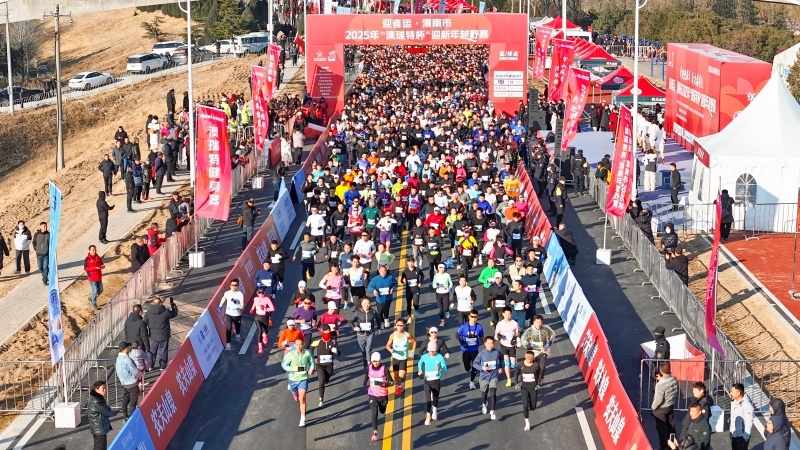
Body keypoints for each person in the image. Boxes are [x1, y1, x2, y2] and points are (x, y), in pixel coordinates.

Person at [280, 337, 315, 427]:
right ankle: (294, 393)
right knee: (295, 394)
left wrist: (312, 368)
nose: (299, 346)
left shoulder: (307, 353)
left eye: (300, 344)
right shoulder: (290, 354)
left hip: (303, 378)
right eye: (297, 345)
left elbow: (311, 362)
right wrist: (294, 368)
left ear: (303, 344)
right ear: (294, 345)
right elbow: (283, 365)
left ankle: (303, 419)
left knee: (302, 398)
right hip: (293, 379)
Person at [418, 340, 448, 425]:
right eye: (430, 351)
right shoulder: (424, 357)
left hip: (436, 381)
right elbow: (420, 362)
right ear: (428, 350)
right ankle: (428, 415)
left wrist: (440, 369)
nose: (432, 353)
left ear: (436, 349)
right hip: (427, 381)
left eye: (434, 351)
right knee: (428, 399)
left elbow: (445, 369)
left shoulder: (440, 357)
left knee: (435, 398)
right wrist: (420, 370)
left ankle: (434, 410)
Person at [473, 336, 503, 420]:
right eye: (488, 343)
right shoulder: (482, 353)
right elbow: (475, 363)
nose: (490, 345)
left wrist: (500, 366)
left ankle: (492, 411)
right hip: (484, 377)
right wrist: (481, 368)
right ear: (485, 344)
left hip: (494, 375)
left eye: (492, 343)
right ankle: (484, 404)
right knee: (484, 392)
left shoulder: (497, 352)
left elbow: (501, 358)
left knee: (493, 393)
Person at [520, 315, 555, 387]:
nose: (538, 324)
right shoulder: (529, 331)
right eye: (537, 322)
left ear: (542, 322)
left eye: (540, 322)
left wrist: (550, 342)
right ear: (533, 322)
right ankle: (534, 379)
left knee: (542, 367)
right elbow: (523, 339)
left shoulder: (545, 329)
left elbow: (552, 334)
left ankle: (540, 379)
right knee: (533, 367)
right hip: (533, 352)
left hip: (543, 351)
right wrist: (528, 345)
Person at [144, 296, 178, 370]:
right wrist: (173, 305)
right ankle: (162, 366)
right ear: (161, 303)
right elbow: (174, 314)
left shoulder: (148, 313)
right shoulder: (166, 312)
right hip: (164, 336)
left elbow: (144, 323)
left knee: (152, 351)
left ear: (153, 303)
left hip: (153, 336)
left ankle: (150, 365)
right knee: (163, 351)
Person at [385, 318, 416, 396]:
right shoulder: (393, 335)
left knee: (401, 375)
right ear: (396, 326)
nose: (399, 327)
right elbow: (387, 345)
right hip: (395, 358)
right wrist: (391, 350)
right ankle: (399, 386)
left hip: (403, 358)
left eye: (401, 325)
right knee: (395, 375)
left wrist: (412, 351)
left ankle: (404, 371)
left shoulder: (407, 335)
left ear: (404, 326)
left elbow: (414, 341)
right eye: (398, 325)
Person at [652, 361, 679, 450]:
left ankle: (664, 446)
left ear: (661, 370)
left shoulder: (660, 384)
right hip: (670, 406)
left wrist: (653, 407)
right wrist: (661, 379)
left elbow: (658, 399)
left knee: (662, 429)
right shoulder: (674, 379)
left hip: (661, 409)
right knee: (671, 426)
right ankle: (673, 443)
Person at [366, 352, 392, 442]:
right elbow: (366, 377)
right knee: (374, 413)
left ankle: (383, 406)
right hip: (372, 393)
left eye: (377, 361)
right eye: (374, 361)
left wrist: (383, 384)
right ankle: (375, 433)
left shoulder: (384, 369)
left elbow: (391, 382)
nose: (376, 363)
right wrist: (364, 384)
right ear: (371, 361)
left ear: (380, 360)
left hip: (382, 395)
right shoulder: (369, 368)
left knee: (382, 410)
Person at [352, 297, 381, 378]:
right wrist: (354, 327)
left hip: (370, 333)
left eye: (368, 303)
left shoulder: (373, 312)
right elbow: (350, 322)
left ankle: (369, 364)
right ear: (361, 304)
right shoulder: (358, 312)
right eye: (364, 303)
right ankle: (365, 360)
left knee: (368, 349)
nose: (366, 305)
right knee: (363, 350)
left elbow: (378, 319)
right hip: (360, 335)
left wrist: (379, 328)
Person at [456, 310, 484, 389]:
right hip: (466, 350)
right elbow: (457, 335)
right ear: (469, 317)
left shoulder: (479, 327)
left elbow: (481, 336)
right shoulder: (463, 327)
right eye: (472, 317)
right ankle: (468, 367)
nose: (474, 319)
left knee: (475, 366)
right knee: (467, 367)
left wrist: (482, 340)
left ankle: (472, 382)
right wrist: (462, 342)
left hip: (474, 349)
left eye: (475, 317)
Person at [115, 342, 141, 422]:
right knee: (133, 403)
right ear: (125, 349)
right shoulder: (127, 359)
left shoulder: (118, 358)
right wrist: (140, 374)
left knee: (125, 399)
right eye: (127, 347)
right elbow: (134, 370)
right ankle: (132, 420)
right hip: (132, 383)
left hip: (124, 383)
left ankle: (125, 416)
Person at [514, 350, 540, 431]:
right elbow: (516, 373)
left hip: (533, 387)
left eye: (531, 359)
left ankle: (532, 406)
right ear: (525, 357)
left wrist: (539, 383)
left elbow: (540, 374)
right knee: (525, 406)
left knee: (533, 407)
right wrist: (516, 383)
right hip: (524, 387)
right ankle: (527, 423)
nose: (529, 360)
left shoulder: (536, 365)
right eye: (528, 359)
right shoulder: (520, 364)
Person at [494, 307, 521, 387]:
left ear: (511, 314)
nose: (507, 316)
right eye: (506, 314)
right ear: (503, 314)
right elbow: (496, 335)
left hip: (511, 346)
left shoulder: (514, 323)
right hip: (503, 345)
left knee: (513, 365)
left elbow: (517, 334)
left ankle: (514, 362)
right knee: (507, 363)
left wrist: (517, 340)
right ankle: (508, 379)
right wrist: (498, 336)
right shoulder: (500, 324)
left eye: (509, 314)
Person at [314, 324, 339, 406]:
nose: (327, 332)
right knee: (321, 382)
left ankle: (326, 379)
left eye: (328, 330)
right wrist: (314, 358)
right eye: (325, 330)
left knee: (326, 379)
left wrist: (336, 351)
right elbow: (310, 348)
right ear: (322, 331)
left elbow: (339, 353)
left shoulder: (333, 341)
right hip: (320, 365)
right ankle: (321, 399)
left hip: (329, 365)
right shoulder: (318, 341)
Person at [367, 264, 397, 329]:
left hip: (388, 297)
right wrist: (373, 290)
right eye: (382, 271)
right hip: (379, 298)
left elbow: (395, 283)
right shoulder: (375, 279)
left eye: (384, 270)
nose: (383, 272)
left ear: (386, 271)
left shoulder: (390, 278)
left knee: (386, 309)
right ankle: (381, 322)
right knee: (380, 311)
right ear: (379, 271)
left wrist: (392, 289)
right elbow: (369, 286)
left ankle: (386, 318)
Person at [249, 288, 276, 354]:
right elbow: (254, 304)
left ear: (264, 293)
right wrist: (252, 309)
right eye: (259, 293)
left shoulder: (267, 299)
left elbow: (272, 308)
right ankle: (260, 347)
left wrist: (265, 308)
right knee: (260, 331)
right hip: (257, 317)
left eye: (262, 293)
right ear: (257, 293)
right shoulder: (255, 299)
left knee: (265, 330)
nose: (261, 295)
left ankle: (265, 335)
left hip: (264, 317)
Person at [88, 380, 112, 450]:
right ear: (96, 390)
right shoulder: (96, 401)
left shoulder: (97, 398)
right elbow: (107, 411)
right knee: (100, 447)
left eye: (105, 388)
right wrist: (108, 408)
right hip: (99, 429)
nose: (105, 390)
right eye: (103, 388)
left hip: (98, 428)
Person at [729, 382, 754, 450]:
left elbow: (749, 421)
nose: (731, 393)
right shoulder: (734, 402)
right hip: (733, 433)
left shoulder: (746, 405)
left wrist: (745, 437)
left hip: (741, 436)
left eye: (732, 391)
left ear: (738, 393)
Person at [400, 257, 424, 323]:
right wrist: (403, 281)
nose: (411, 264)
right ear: (407, 263)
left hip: (416, 289)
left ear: (414, 262)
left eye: (412, 262)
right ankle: (409, 315)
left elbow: (422, 276)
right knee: (408, 303)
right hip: (409, 290)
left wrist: (420, 282)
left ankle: (416, 310)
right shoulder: (405, 271)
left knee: (415, 303)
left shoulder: (417, 270)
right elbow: (402, 280)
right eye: (409, 262)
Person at [432, 263, 453, 327]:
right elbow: (433, 285)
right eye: (440, 268)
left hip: (445, 293)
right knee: (441, 309)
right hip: (438, 293)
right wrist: (437, 286)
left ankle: (447, 311)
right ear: (438, 269)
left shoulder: (447, 275)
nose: (442, 269)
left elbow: (451, 283)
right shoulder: (436, 276)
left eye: (443, 268)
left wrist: (449, 288)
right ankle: (442, 320)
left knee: (445, 308)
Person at [84, 245, 105, 311]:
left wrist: (102, 266)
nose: (94, 251)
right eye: (93, 250)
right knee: (95, 291)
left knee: (101, 290)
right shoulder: (87, 259)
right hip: (92, 278)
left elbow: (102, 264)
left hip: (98, 276)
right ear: (89, 251)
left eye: (95, 250)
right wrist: (94, 268)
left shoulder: (98, 257)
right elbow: (86, 268)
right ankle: (93, 303)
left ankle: (91, 298)